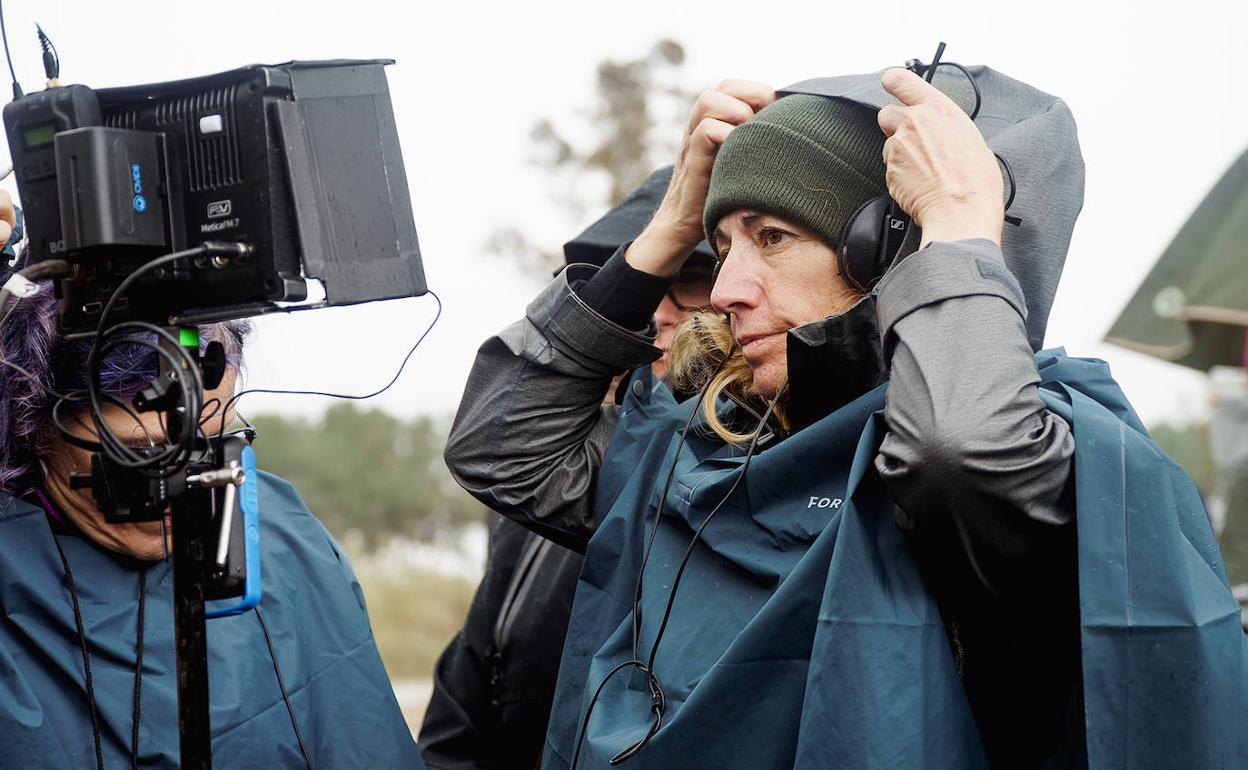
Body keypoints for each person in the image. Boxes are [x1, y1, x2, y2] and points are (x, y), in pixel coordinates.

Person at [446, 64, 1248, 769]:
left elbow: (961, 451)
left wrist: (958, 236)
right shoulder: (692, 450)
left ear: (886, 253)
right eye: (724, 246)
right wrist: (666, 229)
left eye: (772, 236)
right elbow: (499, 448)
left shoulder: (1033, 447)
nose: (726, 290)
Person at [0, 193, 423, 769]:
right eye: (141, 454)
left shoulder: (285, 530)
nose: (183, 479)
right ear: (34, 427)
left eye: (211, 439)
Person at [420, 167, 715, 770]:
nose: (658, 312)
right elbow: (466, 700)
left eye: (691, 280)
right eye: (638, 283)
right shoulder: (565, 468)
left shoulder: (760, 472)